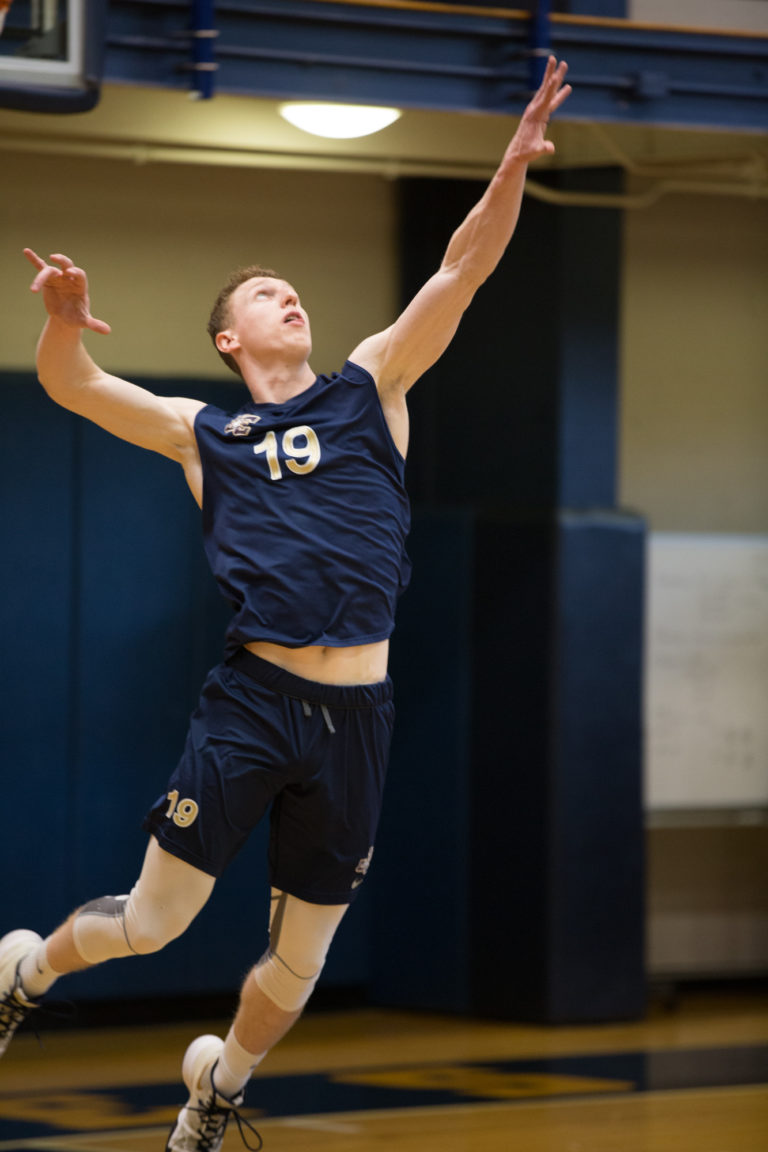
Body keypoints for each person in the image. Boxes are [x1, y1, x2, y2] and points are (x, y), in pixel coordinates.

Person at [0, 56, 571, 1152]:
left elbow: (462, 270)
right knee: (156, 924)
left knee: (299, 965)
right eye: (264, 292)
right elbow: (72, 388)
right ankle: (26, 968)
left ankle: (217, 1087)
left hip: (361, 715)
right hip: (254, 699)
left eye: (291, 286)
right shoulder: (201, 432)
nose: (287, 294)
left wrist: (508, 169)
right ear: (230, 338)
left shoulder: (372, 384)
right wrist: (65, 321)